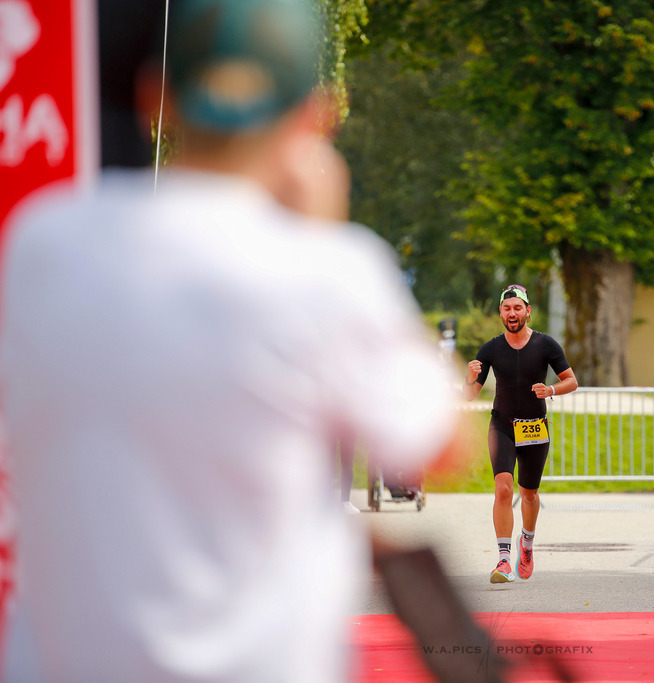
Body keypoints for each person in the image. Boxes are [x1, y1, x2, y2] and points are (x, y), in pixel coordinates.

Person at [0, 0, 462, 679]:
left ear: (155, 97)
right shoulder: (327, 273)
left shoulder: (44, 243)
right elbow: (432, 445)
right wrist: (320, 236)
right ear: (317, 114)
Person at [464, 285, 578, 583]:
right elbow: (470, 396)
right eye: (506, 308)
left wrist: (550, 390)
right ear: (500, 313)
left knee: (529, 493)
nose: (512, 313)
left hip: (533, 426)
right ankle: (503, 560)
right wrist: (469, 379)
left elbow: (571, 381)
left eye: (517, 308)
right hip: (501, 425)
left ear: (528, 311)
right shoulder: (490, 349)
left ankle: (526, 543)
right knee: (503, 488)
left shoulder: (546, 345)